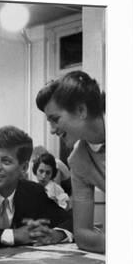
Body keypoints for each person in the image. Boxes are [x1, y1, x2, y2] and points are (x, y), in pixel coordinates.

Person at [0, 126, 73, 248]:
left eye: (6, 161)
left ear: (23, 168)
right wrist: (12, 235)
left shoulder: (33, 193)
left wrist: (57, 234)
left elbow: (70, 220)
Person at [36, 71, 105, 253]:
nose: (51, 130)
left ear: (81, 110)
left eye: (55, 119)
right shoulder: (78, 160)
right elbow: (82, 235)